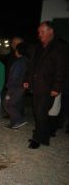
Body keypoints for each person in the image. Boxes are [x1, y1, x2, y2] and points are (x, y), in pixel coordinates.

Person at [24, 21, 67, 149]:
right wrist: (27, 79)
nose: (39, 35)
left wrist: (56, 87)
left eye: (42, 32)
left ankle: (38, 138)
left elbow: (61, 69)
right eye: (39, 32)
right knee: (37, 113)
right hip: (36, 86)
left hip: (49, 87)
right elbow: (32, 66)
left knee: (41, 113)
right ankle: (42, 134)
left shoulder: (59, 47)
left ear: (51, 31)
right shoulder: (39, 47)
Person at [4, 42, 28, 129]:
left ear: (18, 51)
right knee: (15, 104)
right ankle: (14, 123)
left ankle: (19, 120)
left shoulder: (19, 62)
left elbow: (15, 75)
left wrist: (8, 84)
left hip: (15, 86)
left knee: (8, 104)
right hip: (20, 86)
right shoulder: (26, 60)